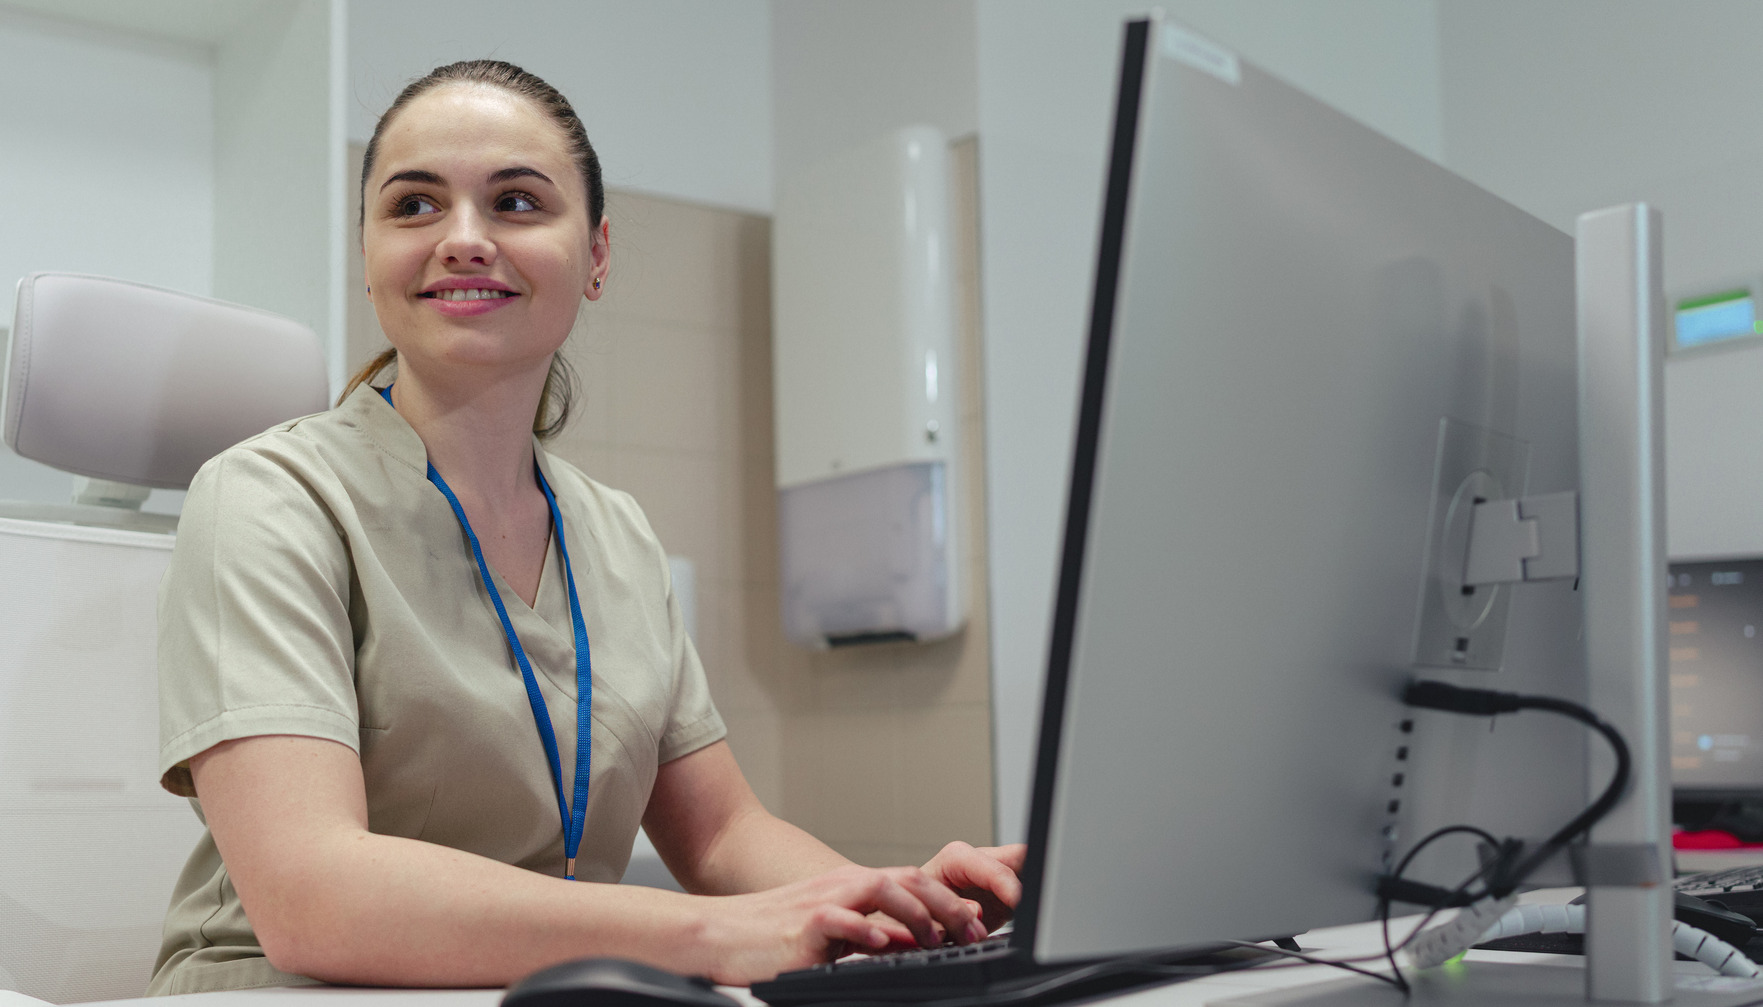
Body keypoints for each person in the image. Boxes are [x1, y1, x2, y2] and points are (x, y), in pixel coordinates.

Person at [149, 59, 1022, 997]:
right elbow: (313, 895)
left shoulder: (614, 533)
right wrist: (714, 933)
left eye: (517, 202)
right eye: (413, 206)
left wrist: (892, 908)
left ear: (597, 255)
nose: (464, 239)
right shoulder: (267, 496)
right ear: (367, 254)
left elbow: (723, 834)